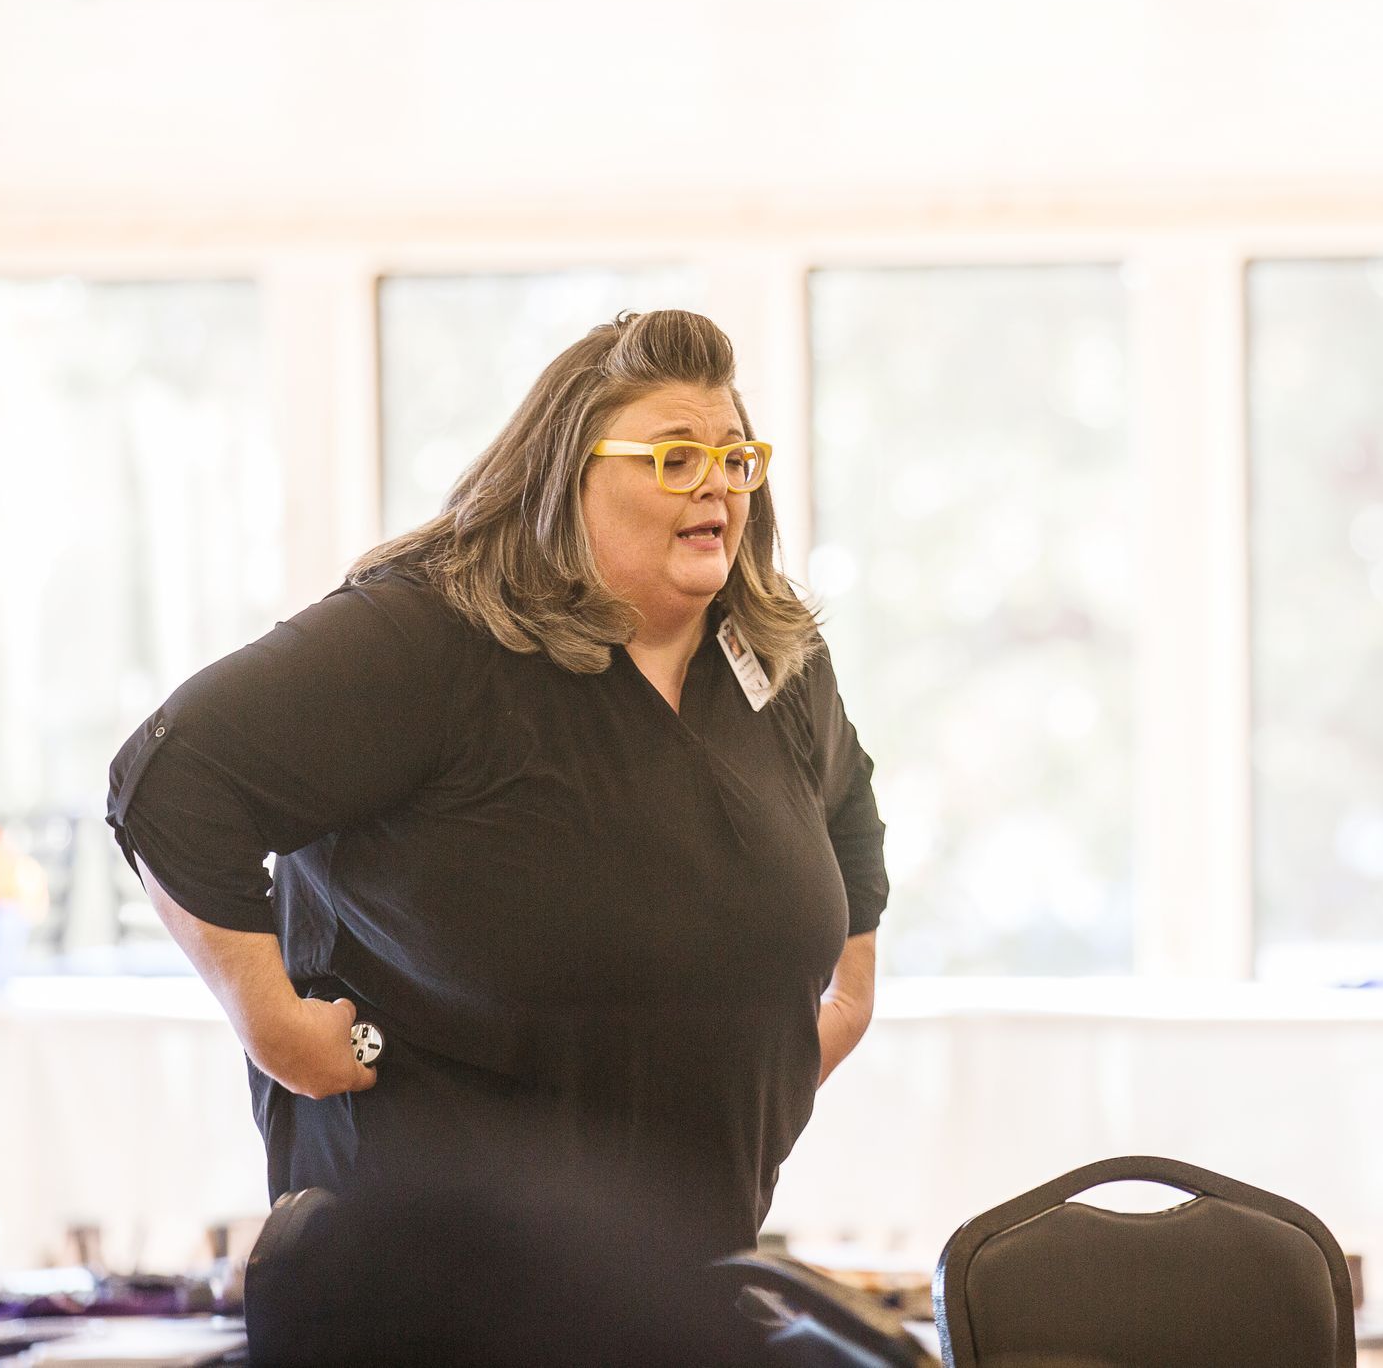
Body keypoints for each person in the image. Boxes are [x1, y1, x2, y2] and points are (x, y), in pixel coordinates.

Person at [106, 309, 887, 1267]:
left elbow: (848, 810)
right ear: (567, 475)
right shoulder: (432, 638)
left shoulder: (773, 656)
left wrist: (845, 999)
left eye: (736, 459)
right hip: (428, 1287)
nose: (720, 486)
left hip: (678, 1276)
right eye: (677, 457)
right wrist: (273, 1022)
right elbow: (173, 778)